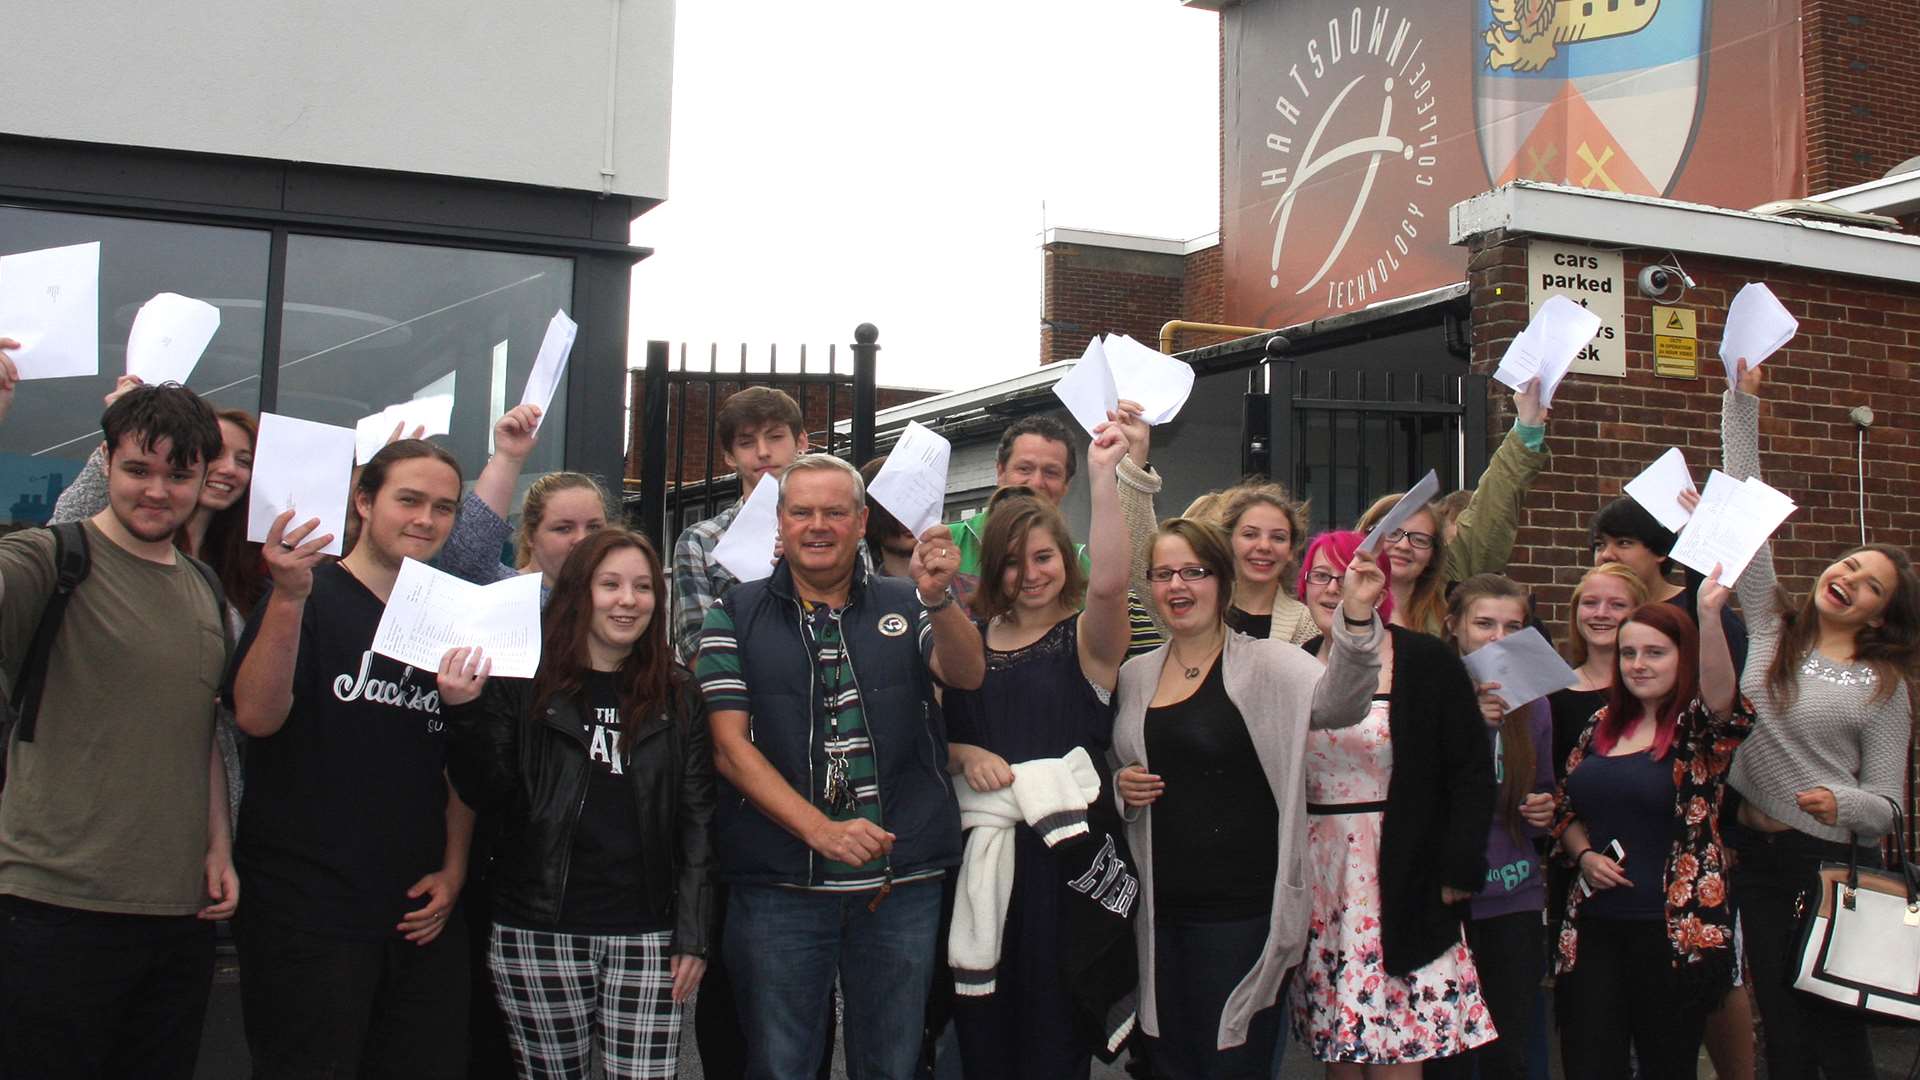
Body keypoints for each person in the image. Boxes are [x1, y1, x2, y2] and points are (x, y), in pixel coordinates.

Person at [696, 454, 986, 1080]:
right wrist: (821, 831)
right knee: (780, 1065)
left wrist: (939, 602)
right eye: (802, 512)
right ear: (781, 522)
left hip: (900, 880)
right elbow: (729, 749)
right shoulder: (733, 613)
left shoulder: (909, 601)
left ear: (861, 523)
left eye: (835, 512)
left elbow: (966, 675)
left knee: (892, 1062)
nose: (817, 525)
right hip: (779, 884)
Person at [0, 373, 237, 1078]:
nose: (157, 491)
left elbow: (203, 735)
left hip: (178, 917)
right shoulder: (49, 559)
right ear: (105, 464)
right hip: (50, 903)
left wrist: (219, 846)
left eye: (178, 474)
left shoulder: (204, 587)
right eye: (137, 469)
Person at [229, 439, 475, 1079]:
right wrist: (287, 599)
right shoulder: (307, 593)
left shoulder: (449, 614)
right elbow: (255, 716)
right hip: (306, 909)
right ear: (365, 502)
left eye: (444, 507)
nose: (425, 519)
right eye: (409, 500)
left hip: (415, 911)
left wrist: (453, 870)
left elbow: (456, 762)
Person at [1110, 519, 1387, 1077]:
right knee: (1169, 1064)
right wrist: (1123, 786)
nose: (1178, 586)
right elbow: (1119, 764)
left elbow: (1342, 704)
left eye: (1194, 571)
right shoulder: (1136, 674)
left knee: (1231, 1064)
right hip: (1158, 914)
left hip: (1241, 917)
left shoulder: (1270, 663)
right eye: (1163, 574)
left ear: (1223, 581)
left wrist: (1356, 620)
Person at [437, 529, 714, 1079]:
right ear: (578, 594)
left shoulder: (679, 694)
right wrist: (463, 713)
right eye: (609, 584)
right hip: (537, 928)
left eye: (641, 587)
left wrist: (694, 933)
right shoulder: (522, 682)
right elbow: (485, 791)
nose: (627, 600)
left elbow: (697, 821)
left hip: (648, 934)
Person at [1717, 359, 1919, 1078]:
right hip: (1750, 854)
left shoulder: (1882, 686)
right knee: (1780, 1024)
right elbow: (1744, 507)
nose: (1849, 579)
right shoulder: (1774, 627)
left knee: (1830, 1029)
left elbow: (1889, 808)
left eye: (1870, 585)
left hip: (1824, 860)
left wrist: (1845, 801)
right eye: (1849, 564)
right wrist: (1742, 401)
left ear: (1881, 614)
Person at [941, 425, 1134, 1079]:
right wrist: (964, 752)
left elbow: (1109, 586)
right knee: (983, 1047)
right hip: (983, 869)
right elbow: (927, 740)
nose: (1030, 575)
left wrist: (1107, 479)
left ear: (1065, 560)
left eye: (1044, 557)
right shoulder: (966, 640)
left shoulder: (1087, 639)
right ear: (992, 567)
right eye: (1014, 561)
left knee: (1054, 1045)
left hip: (1065, 867)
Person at [1290, 530, 1497, 1076]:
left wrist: (1458, 865)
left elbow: (1471, 772)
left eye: (1350, 576)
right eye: (1321, 576)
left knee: (1397, 1046)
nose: (1335, 589)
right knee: (1339, 1047)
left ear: (1377, 584)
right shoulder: (1293, 664)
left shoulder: (1425, 660)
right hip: (1319, 878)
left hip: (1403, 872)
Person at [1551, 593, 1747, 1080]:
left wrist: (1706, 613)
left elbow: (1726, 706)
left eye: (1655, 653)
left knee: (1667, 1065)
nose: (1638, 665)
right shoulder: (1601, 726)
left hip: (1671, 935)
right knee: (1590, 1063)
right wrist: (1584, 855)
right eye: (1628, 653)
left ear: (1684, 658)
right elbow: (1564, 809)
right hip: (1593, 928)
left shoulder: (1697, 732)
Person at [1426, 575, 1556, 1080]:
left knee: (1510, 1049)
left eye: (1512, 626)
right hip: (1445, 897)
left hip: (1514, 896)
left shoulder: (1535, 703)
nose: (1497, 638)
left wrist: (1544, 807)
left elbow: (1542, 786)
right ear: (1454, 625)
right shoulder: (1428, 695)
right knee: (1446, 1053)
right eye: (1484, 624)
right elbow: (1419, 797)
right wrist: (1472, 725)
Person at [943, 410, 1162, 653]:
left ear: (1067, 485)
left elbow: (1111, 594)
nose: (1036, 482)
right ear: (1000, 471)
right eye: (1024, 469)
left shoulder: (1081, 568)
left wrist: (1119, 466)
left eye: (1051, 472)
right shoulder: (945, 543)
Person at [1354, 378, 1551, 636]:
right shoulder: (1333, 591)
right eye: (1392, 532)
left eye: (1420, 539)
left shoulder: (1446, 596)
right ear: (1367, 533)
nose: (1404, 545)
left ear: (1435, 553)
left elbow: (1492, 509)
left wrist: (1527, 427)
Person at [1588, 495, 1750, 673]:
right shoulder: (1594, 615)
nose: (1606, 555)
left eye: (1624, 543)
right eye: (1599, 545)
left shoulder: (1700, 608)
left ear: (1660, 551)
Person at [1549, 564, 1649, 779]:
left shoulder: (1656, 689)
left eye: (1617, 605)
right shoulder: (1552, 694)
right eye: (1590, 603)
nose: (1601, 613)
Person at [1214, 481, 1317, 644]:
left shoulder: (1308, 626)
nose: (1264, 546)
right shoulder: (1202, 610)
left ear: (1291, 550)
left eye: (1278, 538)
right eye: (1250, 534)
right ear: (1228, 541)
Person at [859, 455, 919, 578]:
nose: (909, 516)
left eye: (916, 502)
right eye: (894, 508)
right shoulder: (861, 593)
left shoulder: (965, 591)